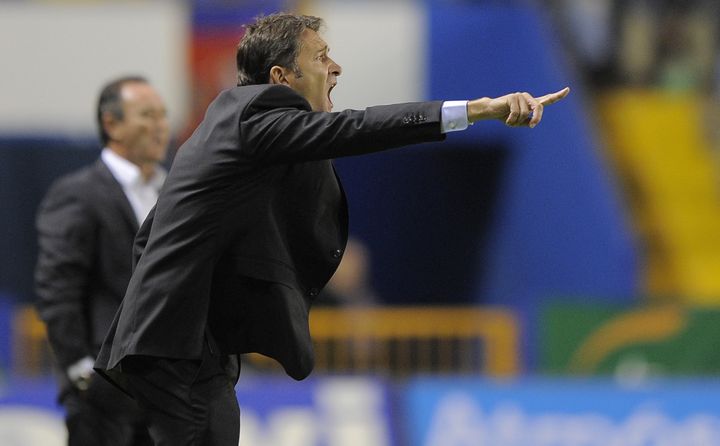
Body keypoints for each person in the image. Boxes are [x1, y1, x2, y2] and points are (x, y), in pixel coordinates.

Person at [94, 13, 570, 446]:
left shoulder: (232, 129)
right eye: (320, 57)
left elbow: (151, 233)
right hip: (179, 344)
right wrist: (476, 110)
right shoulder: (255, 112)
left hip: (177, 339)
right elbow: (358, 127)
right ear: (280, 77)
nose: (336, 67)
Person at [35, 75, 170, 446]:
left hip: (166, 391)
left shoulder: (173, 192)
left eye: (163, 115)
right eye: (147, 115)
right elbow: (57, 288)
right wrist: (79, 368)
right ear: (112, 124)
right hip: (102, 391)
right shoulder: (77, 195)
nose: (161, 126)